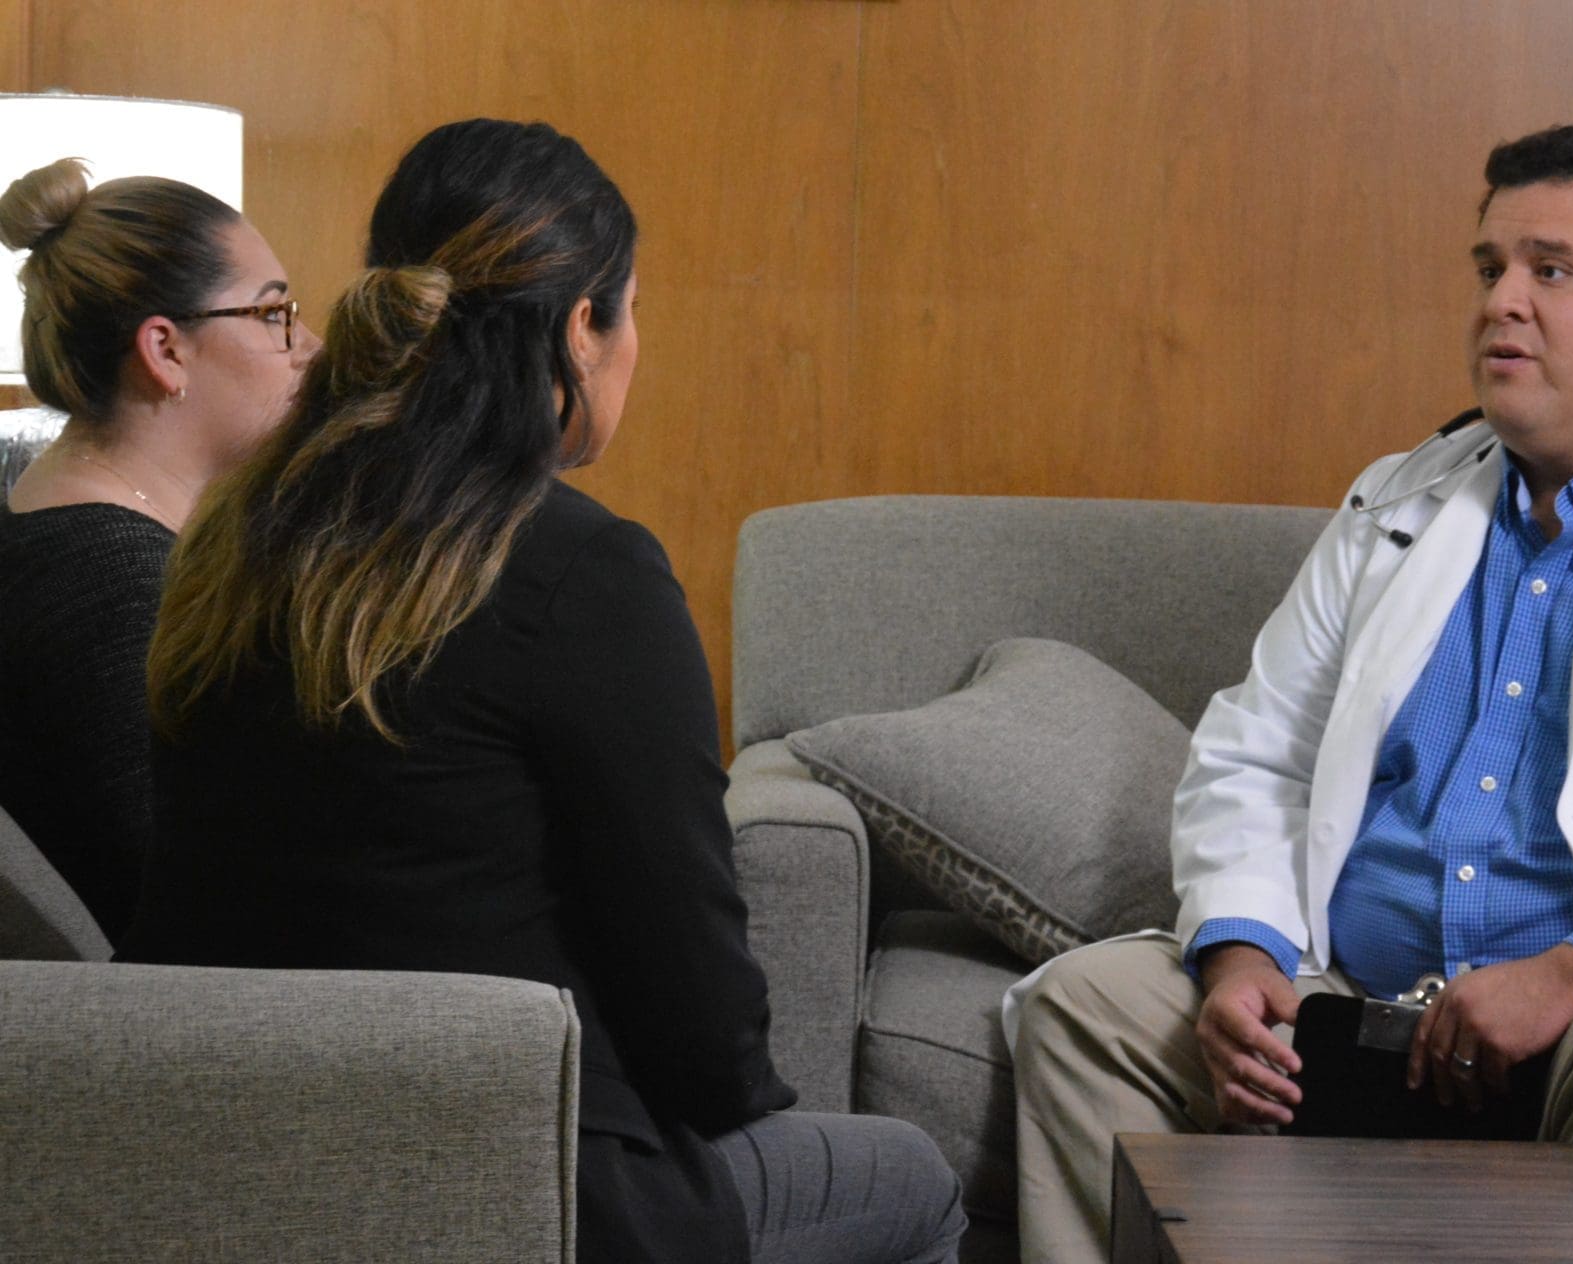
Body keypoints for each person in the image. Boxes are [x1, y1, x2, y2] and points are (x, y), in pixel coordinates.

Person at [1011, 122, 1573, 1261]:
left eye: (1553, 270)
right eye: (1490, 268)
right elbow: (1258, 749)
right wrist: (1244, 953)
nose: (1502, 303)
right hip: (1360, 1002)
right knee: (1087, 1008)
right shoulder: (1399, 501)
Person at [118, 119, 965, 1264]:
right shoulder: (584, 570)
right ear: (580, 329)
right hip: (527, 1185)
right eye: (632, 310)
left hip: (244, 1169)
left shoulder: (233, 542)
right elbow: (702, 1024)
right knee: (914, 1180)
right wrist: (733, 1101)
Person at [0, 159, 315, 940]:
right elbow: (198, 905)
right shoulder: (110, 590)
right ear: (166, 350)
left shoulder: (76, 531)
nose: (308, 346)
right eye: (274, 314)